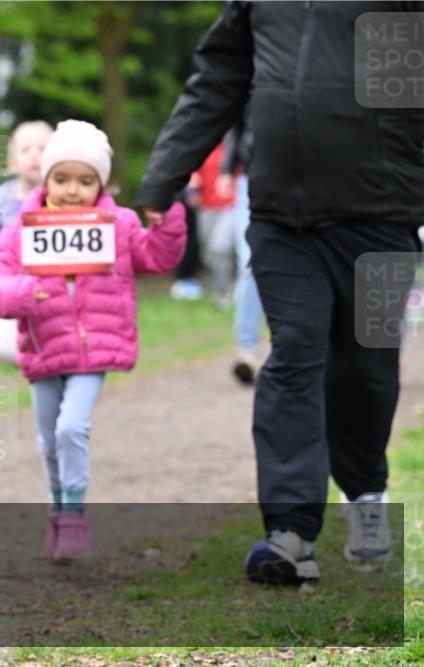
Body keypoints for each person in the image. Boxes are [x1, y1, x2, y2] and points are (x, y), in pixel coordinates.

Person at [133, 1, 424, 585]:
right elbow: (219, 76)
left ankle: (366, 491)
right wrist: (164, 177)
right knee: (294, 353)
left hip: (383, 216)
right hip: (281, 217)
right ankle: (290, 533)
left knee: (365, 370)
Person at [0, 120, 186, 562]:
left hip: (94, 350)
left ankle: (74, 517)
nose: (72, 190)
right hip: (43, 348)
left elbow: (158, 256)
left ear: (101, 182)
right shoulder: (21, 228)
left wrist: (167, 218)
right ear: (46, 179)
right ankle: (58, 509)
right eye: (62, 179)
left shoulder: (119, 224)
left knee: (72, 428)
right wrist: (24, 293)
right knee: (48, 439)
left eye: (85, 180)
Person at [220, 106, 265, 384]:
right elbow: (235, 119)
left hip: (308, 177)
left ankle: (294, 349)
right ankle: (247, 349)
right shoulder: (252, 64)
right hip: (250, 176)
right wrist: (227, 168)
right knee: (251, 261)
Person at [0, 121, 52, 268]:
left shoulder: (64, 198)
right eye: (25, 150)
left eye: (42, 149)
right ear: (11, 160)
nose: (34, 155)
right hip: (12, 281)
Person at [189, 142, 236, 309]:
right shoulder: (203, 147)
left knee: (220, 248)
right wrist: (192, 192)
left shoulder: (232, 147)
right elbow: (193, 177)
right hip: (206, 209)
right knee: (207, 253)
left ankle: (225, 292)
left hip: (228, 207)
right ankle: (218, 289)